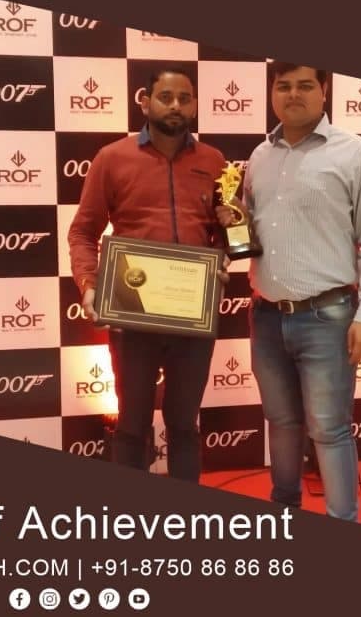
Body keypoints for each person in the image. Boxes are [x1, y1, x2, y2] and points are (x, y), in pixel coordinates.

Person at [217, 62, 361, 520]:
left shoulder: (354, 152)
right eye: (283, 86)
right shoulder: (259, 156)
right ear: (272, 92)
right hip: (266, 315)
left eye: (304, 85)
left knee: (330, 430)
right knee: (281, 423)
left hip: (328, 317)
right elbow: (252, 231)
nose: (293, 94)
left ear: (324, 90)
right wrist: (234, 222)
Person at [68, 68, 227, 482]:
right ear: (145, 102)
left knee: (184, 425)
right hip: (132, 312)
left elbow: (226, 231)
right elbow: (83, 232)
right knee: (132, 425)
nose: (175, 106)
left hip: (192, 314)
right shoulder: (112, 158)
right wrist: (89, 285)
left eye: (184, 99)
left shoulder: (214, 161)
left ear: (194, 105)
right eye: (165, 97)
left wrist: (221, 260)